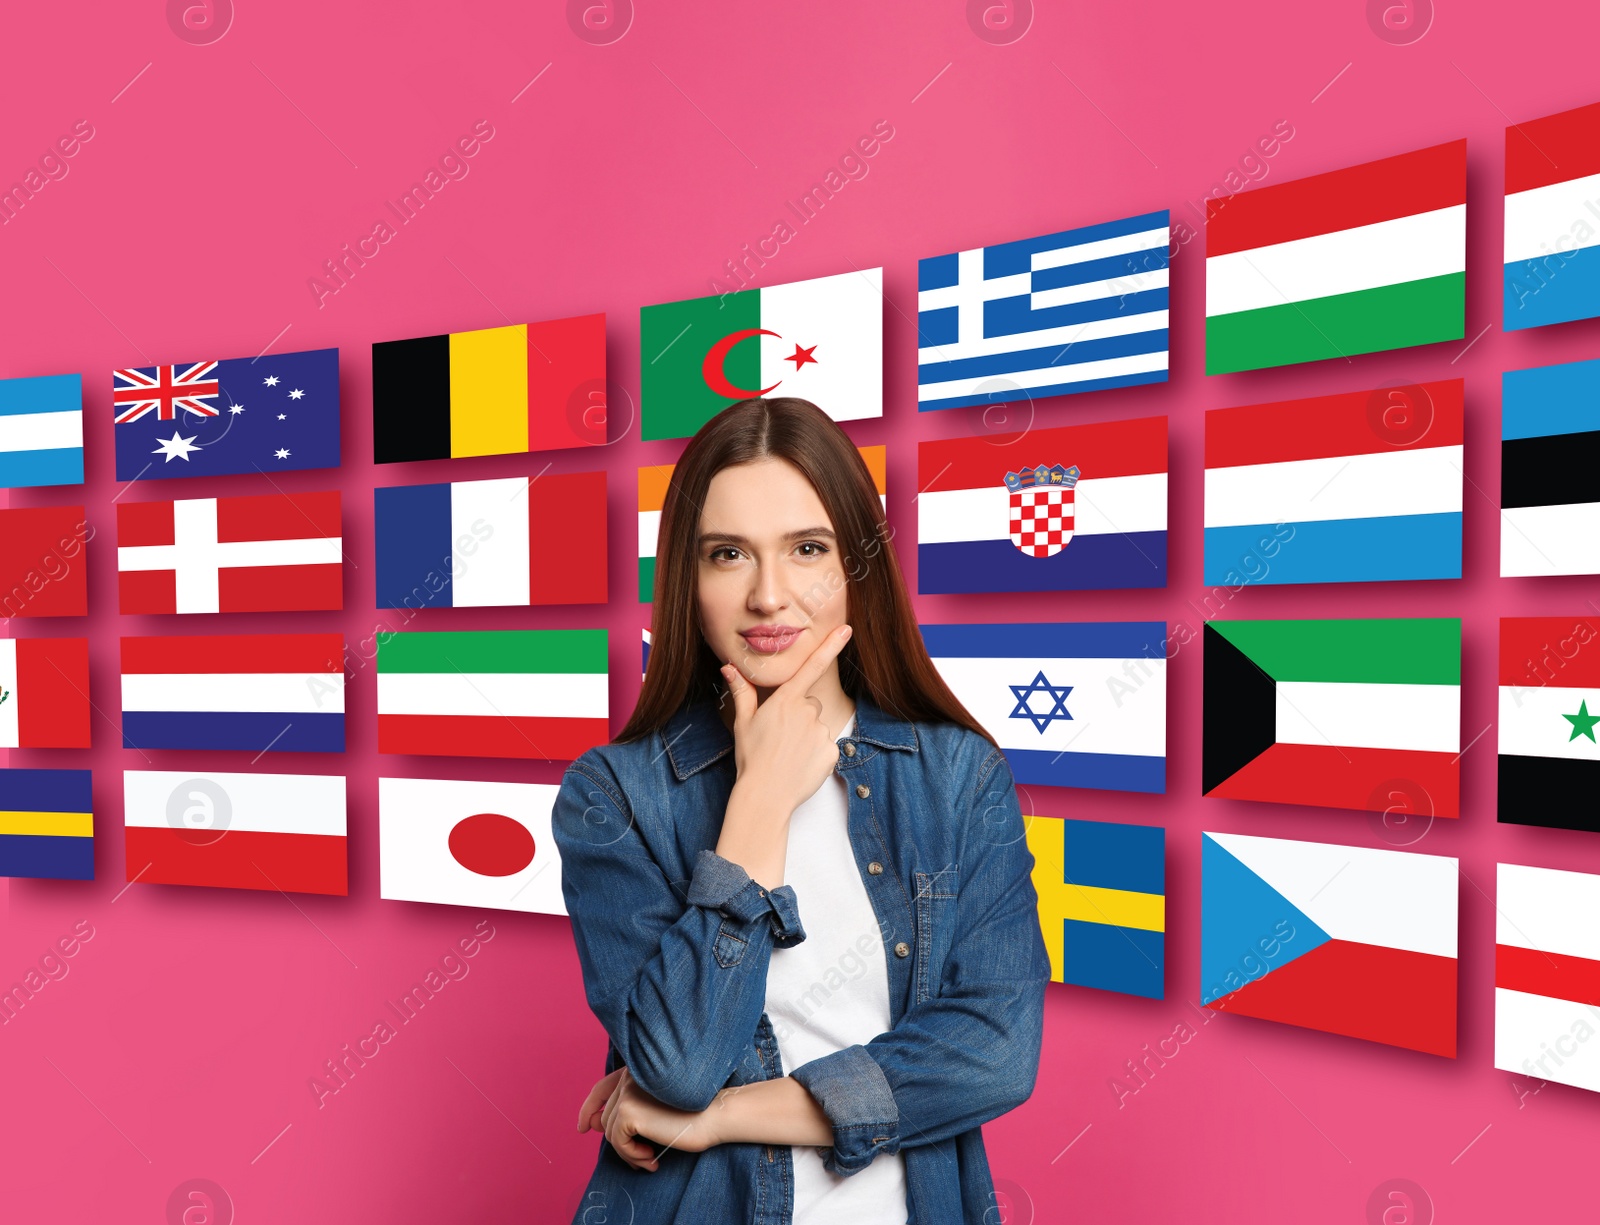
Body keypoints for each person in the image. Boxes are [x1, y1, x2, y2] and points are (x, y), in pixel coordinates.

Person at [553, 396, 1049, 1224]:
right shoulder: (615, 795)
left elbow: (996, 1053)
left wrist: (720, 1117)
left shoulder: (957, 775)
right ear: (689, 577)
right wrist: (759, 801)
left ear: (854, 565)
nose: (768, 595)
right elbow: (679, 1064)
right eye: (728, 554)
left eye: (807, 548)